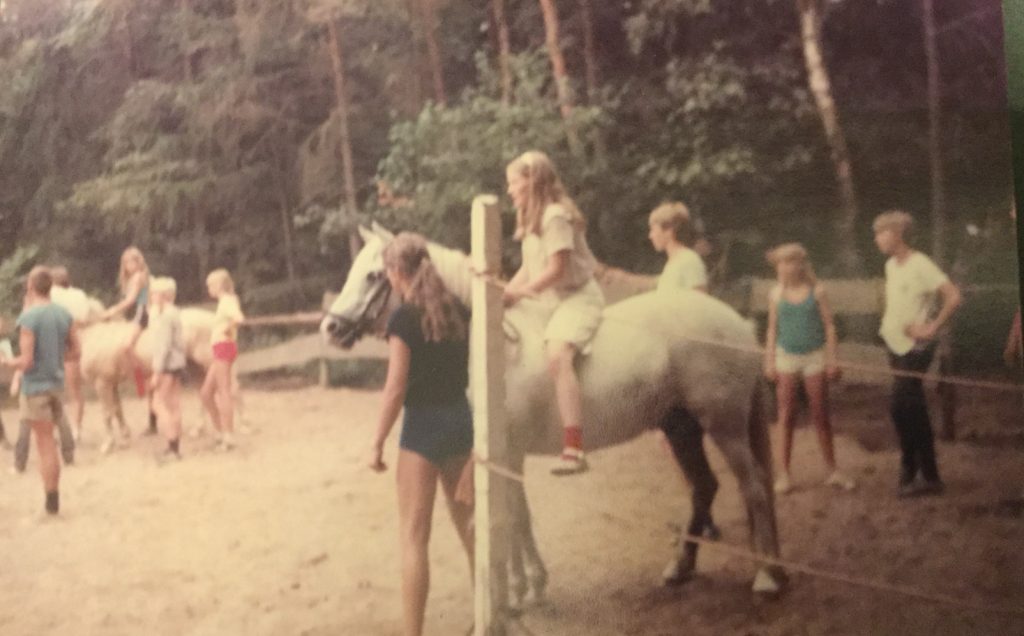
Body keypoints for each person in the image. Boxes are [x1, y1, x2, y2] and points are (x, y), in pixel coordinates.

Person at [367, 232, 474, 636]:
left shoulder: (403, 319)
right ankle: (487, 617)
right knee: (471, 531)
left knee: (414, 538)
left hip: (423, 429)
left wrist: (377, 440)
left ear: (396, 273)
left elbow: (396, 387)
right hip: (461, 421)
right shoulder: (460, 311)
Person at [503, 150, 604, 475]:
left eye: (513, 182)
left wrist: (521, 293)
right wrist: (505, 293)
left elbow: (557, 269)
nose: (509, 190)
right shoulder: (530, 220)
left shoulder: (555, 216)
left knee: (558, 354)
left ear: (531, 182)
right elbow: (530, 268)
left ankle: (574, 446)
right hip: (550, 299)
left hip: (576, 298)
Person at [874, 210, 961, 497]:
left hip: (916, 346)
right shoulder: (891, 266)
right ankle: (929, 475)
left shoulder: (920, 263)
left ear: (898, 233)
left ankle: (910, 468)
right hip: (895, 343)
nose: (877, 239)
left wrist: (932, 326)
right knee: (912, 407)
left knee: (900, 406)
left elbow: (953, 296)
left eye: (881, 232)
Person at [763, 243, 854, 494]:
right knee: (786, 415)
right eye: (780, 263)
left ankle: (833, 470)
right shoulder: (775, 294)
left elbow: (829, 327)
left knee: (820, 413)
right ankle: (784, 475)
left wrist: (833, 360)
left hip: (814, 356)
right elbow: (772, 329)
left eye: (789, 262)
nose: (784, 268)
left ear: (800, 265)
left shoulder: (817, 291)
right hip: (786, 358)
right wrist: (769, 361)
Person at [1, 266, 80, 516]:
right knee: (51, 444)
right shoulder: (64, 314)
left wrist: (5, 363)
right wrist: (55, 357)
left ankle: (51, 502)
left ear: (30, 287)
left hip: (35, 387)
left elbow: (26, 361)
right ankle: (53, 500)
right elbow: (76, 351)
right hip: (57, 384)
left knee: (44, 445)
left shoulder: (29, 319)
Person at [200, 268, 244, 451]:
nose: (209, 288)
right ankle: (220, 431)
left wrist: (228, 331)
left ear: (219, 285)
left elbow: (239, 318)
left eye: (211, 285)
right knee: (206, 393)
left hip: (223, 347)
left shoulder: (226, 301)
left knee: (223, 391)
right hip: (221, 349)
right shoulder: (226, 302)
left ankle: (228, 435)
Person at [102, 247, 150, 399]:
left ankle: (141, 378)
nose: (129, 265)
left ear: (139, 262)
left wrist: (112, 310)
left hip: (141, 313)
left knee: (126, 346)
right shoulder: (131, 279)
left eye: (132, 261)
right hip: (133, 314)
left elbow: (130, 300)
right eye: (126, 262)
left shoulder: (138, 277)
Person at [50, 265, 90, 440]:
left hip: (60, 342)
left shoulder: (52, 295)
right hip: (77, 340)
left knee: (56, 390)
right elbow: (85, 317)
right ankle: (75, 428)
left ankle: (63, 428)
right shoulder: (79, 295)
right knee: (75, 390)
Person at [149, 277, 186, 462]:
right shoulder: (174, 312)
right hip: (177, 364)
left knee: (158, 404)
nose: (152, 296)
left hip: (167, 366)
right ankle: (176, 445)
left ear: (163, 295)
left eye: (154, 292)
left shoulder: (164, 317)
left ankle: (172, 444)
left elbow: (163, 346)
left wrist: (156, 372)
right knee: (174, 405)